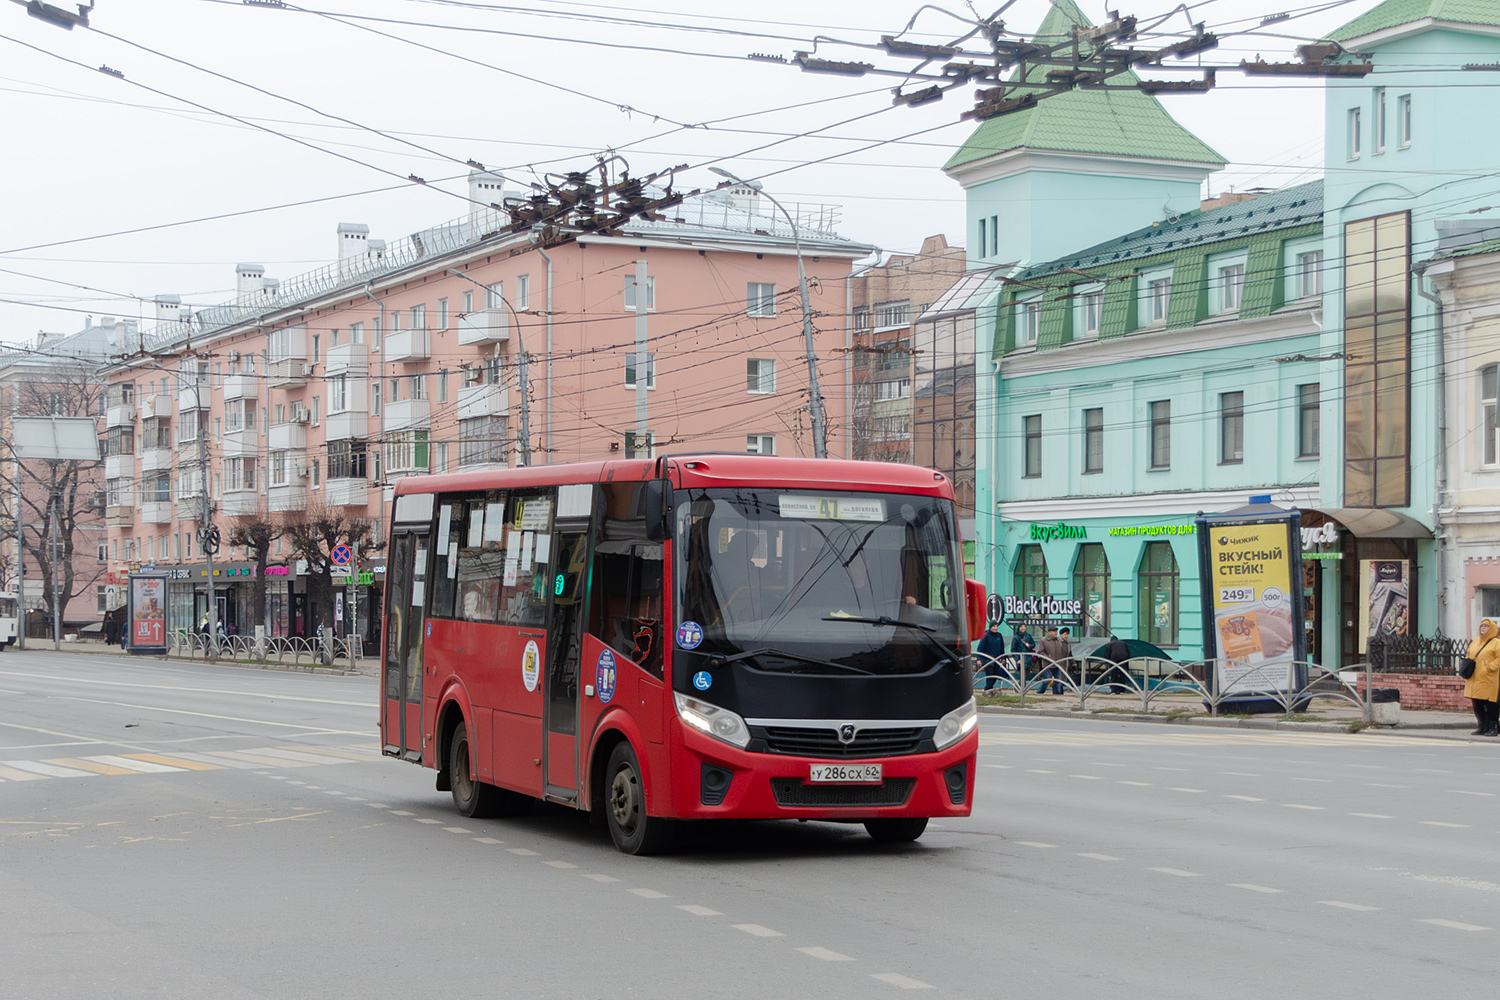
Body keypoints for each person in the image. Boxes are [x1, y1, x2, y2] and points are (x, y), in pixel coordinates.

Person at [1463, 618, 1500, 737]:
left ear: (1492, 629)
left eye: (1486, 626)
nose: (1483, 628)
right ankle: (1481, 726)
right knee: (1477, 703)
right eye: (1481, 626)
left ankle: (1493, 727)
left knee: (1490, 704)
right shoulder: (1475, 641)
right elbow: (1469, 655)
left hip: (1488, 678)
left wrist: (1490, 667)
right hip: (1474, 678)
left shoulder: (1496, 642)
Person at [975, 621, 1010, 692]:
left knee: (995, 675)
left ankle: (988, 689)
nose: (995, 628)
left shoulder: (999, 635)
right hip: (987, 660)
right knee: (990, 675)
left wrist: (1003, 657)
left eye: (996, 626)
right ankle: (987, 690)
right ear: (990, 627)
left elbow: (1001, 647)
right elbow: (980, 648)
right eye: (993, 626)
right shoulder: (986, 635)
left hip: (997, 660)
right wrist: (978, 659)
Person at [1037, 626, 1069, 696]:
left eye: (1056, 631)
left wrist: (1060, 660)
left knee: (1057, 680)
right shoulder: (1044, 640)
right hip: (1047, 664)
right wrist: (1048, 658)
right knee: (1047, 679)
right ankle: (1040, 692)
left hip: (1057, 664)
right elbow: (1040, 652)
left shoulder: (1058, 640)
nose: (1056, 633)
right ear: (1049, 632)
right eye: (1054, 631)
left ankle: (1056, 694)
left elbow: (1060, 651)